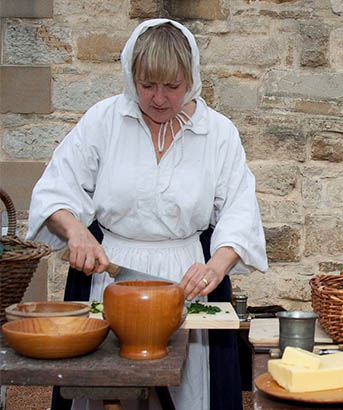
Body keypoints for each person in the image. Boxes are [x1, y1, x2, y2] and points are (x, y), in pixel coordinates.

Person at [26, 18, 268, 410]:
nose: (158, 98)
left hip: (185, 278)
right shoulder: (104, 121)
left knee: (190, 393)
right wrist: (76, 232)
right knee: (107, 391)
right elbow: (55, 189)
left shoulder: (218, 133)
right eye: (146, 85)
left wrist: (216, 266)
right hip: (112, 277)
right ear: (130, 76)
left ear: (191, 78)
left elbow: (240, 212)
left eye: (172, 86)